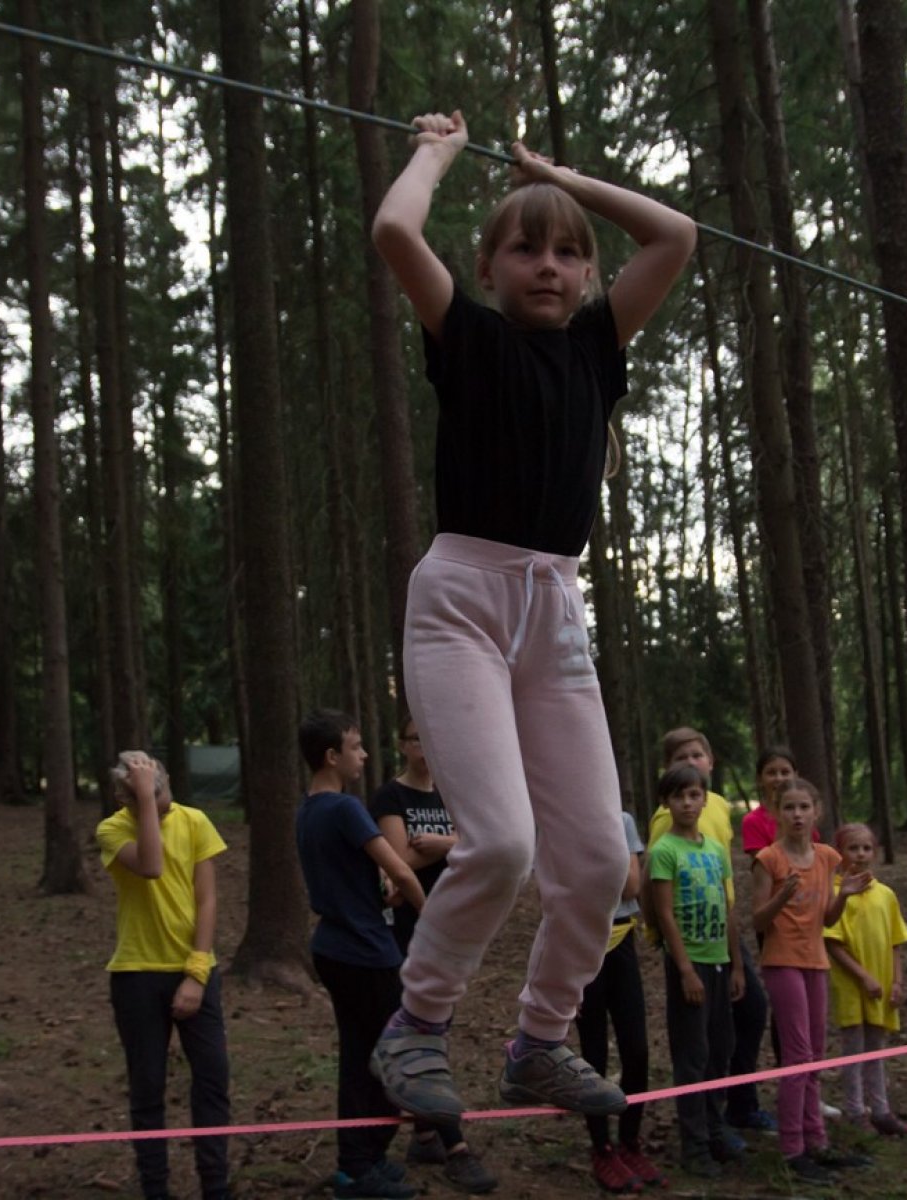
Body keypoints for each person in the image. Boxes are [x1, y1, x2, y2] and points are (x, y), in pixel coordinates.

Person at [366, 106, 695, 1125]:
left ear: (589, 273)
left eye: (567, 253)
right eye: (524, 248)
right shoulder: (467, 337)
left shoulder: (597, 344)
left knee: (598, 861)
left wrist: (558, 177)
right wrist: (437, 154)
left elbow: (675, 235)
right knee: (503, 844)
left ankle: (540, 1042)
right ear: (489, 266)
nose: (547, 266)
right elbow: (394, 232)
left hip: (554, 613)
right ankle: (417, 1025)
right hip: (462, 605)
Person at [296, 710, 431, 1200]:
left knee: (362, 1054)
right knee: (385, 1056)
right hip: (365, 952)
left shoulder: (308, 810)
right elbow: (404, 871)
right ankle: (357, 1165)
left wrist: (378, 897)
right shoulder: (345, 808)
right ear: (332, 756)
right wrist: (430, 919)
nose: (365, 755)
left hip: (336, 946)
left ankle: (365, 1158)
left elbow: (348, 878)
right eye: (355, 747)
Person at [366, 718, 496, 1195]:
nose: (425, 746)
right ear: (403, 745)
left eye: (431, 737)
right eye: (417, 738)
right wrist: (450, 847)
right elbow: (397, 862)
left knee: (436, 1027)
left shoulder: (451, 795)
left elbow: (477, 846)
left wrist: (443, 844)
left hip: (451, 923)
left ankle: (424, 1134)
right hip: (405, 930)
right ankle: (454, 1146)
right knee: (425, 1032)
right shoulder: (389, 797)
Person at [96, 751, 232, 1200]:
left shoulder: (194, 821)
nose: (163, 800)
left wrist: (196, 972)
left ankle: (216, 1186)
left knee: (212, 1079)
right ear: (126, 797)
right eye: (149, 794)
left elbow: (207, 900)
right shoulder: (112, 829)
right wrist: (144, 801)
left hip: (195, 969)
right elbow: (151, 866)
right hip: (137, 975)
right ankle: (155, 1189)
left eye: (163, 787)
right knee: (148, 1086)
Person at [647, 727, 775, 1135]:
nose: (691, 763)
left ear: (711, 762)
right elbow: (657, 887)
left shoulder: (717, 805)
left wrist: (735, 950)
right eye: (681, 758)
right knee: (699, 1039)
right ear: (668, 773)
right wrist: (668, 946)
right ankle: (705, 1124)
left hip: (724, 930)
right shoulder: (666, 821)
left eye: (697, 755)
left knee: (744, 1015)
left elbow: (722, 870)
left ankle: (734, 1107)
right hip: (690, 941)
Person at [750, 782, 872, 1185]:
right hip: (782, 961)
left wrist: (845, 895)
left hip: (816, 961)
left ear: (816, 811)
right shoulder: (768, 859)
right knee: (798, 1056)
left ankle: (816, 1140)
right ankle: (792, 1148)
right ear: (776, 813)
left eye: (804, 807)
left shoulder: (827, 857)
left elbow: (828, 919)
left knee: (816, 1055)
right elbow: (758, 922)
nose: (797, 814)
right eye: (789, 807)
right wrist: (781, 896)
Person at [646, 763, 744, 1178]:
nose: (688, 803)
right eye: (679, 796)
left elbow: (728, 909)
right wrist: (685, 969)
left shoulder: (716, 850)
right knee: (693, 1054)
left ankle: (715, 1128)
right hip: (690, 964)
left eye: (694, 795)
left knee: (721, 1048)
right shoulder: (664, 851)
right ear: (666, 803)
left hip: (720, 961)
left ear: (705, 799)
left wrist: (737, 965)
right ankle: (695, 1144)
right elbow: (665, 914)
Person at [577, 808, 662, 1194]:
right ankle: (602, 1148)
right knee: (593, 1053)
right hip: (580, 942)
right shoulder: (559, 819)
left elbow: (631, 886)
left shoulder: (621, 820)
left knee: (636, 1049)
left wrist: (589, 875)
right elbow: (556, 891)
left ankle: (629, 1141)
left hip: (621, 938)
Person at [823, 822, 907, 1139]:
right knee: (855, 1049)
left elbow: (895, 942)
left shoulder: (885, 894)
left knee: (876, 1049)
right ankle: (854, 1111)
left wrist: (896, 982)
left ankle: (881, 1111)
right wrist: (863, 977)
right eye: (853, 848)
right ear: (840, 853)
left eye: (866, 848)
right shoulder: (836, 894)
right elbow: (832, 943)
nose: (860, 854)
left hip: (882, 984)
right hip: (852, 985)